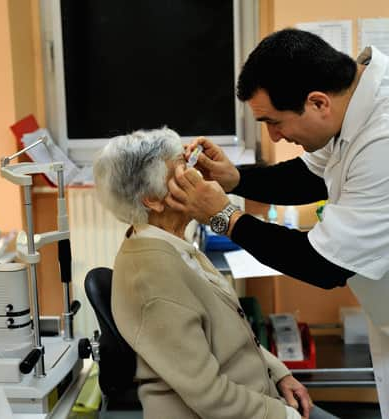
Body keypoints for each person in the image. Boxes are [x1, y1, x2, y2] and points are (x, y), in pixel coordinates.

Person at [166, 28, 389, 419]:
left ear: (317, 103)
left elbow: (324, 265)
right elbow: (312, 175)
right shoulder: (356, 98)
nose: (275, 136)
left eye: (274, 122)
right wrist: (236, 180)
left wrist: (223, 216)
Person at [93, 127, 339, 419]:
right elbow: (210, 397)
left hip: (256, 394)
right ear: (153, 200)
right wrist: (284, 415)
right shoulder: (153, 275)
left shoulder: (176, 246)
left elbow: (233, 333)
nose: (198, 178)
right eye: (184, 171)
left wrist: (278, 372)